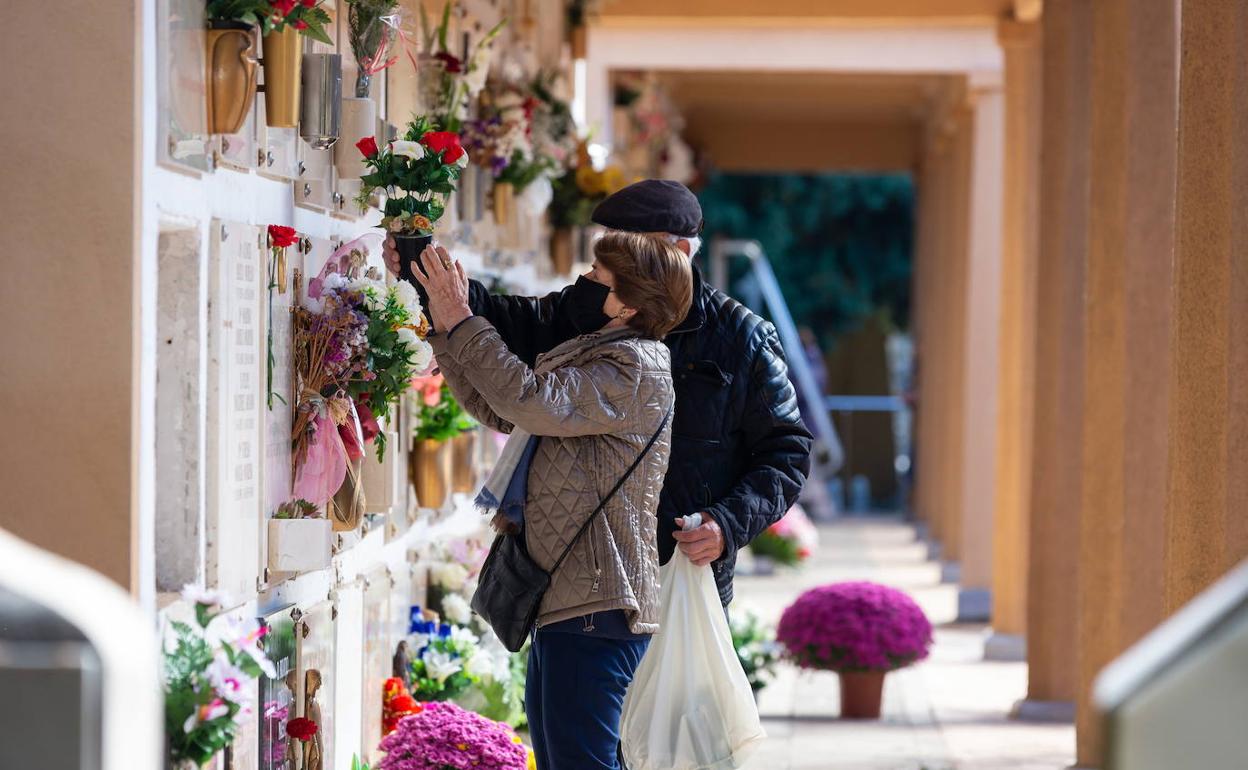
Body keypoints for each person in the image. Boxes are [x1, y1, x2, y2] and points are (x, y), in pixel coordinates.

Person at [387, 179, 812, 608]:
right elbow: (514, 320)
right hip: (591, 581)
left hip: (680, 571)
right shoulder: (592, 306)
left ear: (678, 253)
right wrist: (426, 280)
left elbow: (787, 452)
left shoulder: (743, 337)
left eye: (627, 251)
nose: (605, 266)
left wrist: (726, 524)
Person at [413, 233, 693, 770]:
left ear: (629, 305)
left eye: (596, 277)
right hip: (571, 597)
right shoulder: (602, 353)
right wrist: (448, 332)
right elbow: (508, 412)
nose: (582, 283)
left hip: (595, 602)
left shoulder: (634, 370)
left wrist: (464, 319)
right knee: (564, 754)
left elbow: (532, 401)